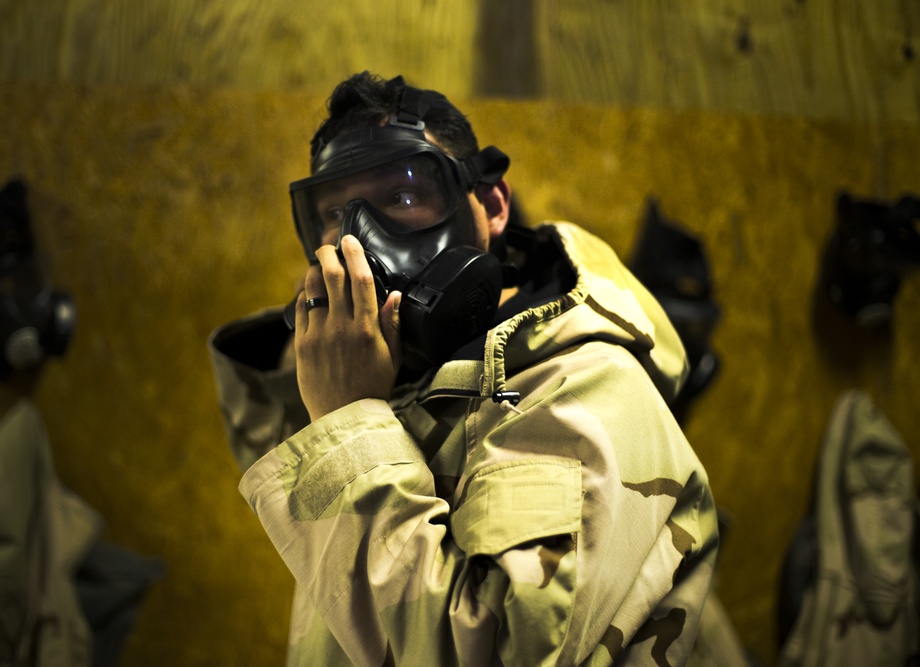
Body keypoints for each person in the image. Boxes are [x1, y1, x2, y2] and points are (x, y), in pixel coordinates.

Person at [209, 71, 719, 665]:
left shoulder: (582, 387)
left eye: (402, 197)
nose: (360, 243)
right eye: (333, 215)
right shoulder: (404, 390)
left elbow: (497, 651)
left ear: (492, 205)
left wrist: (349, 421)